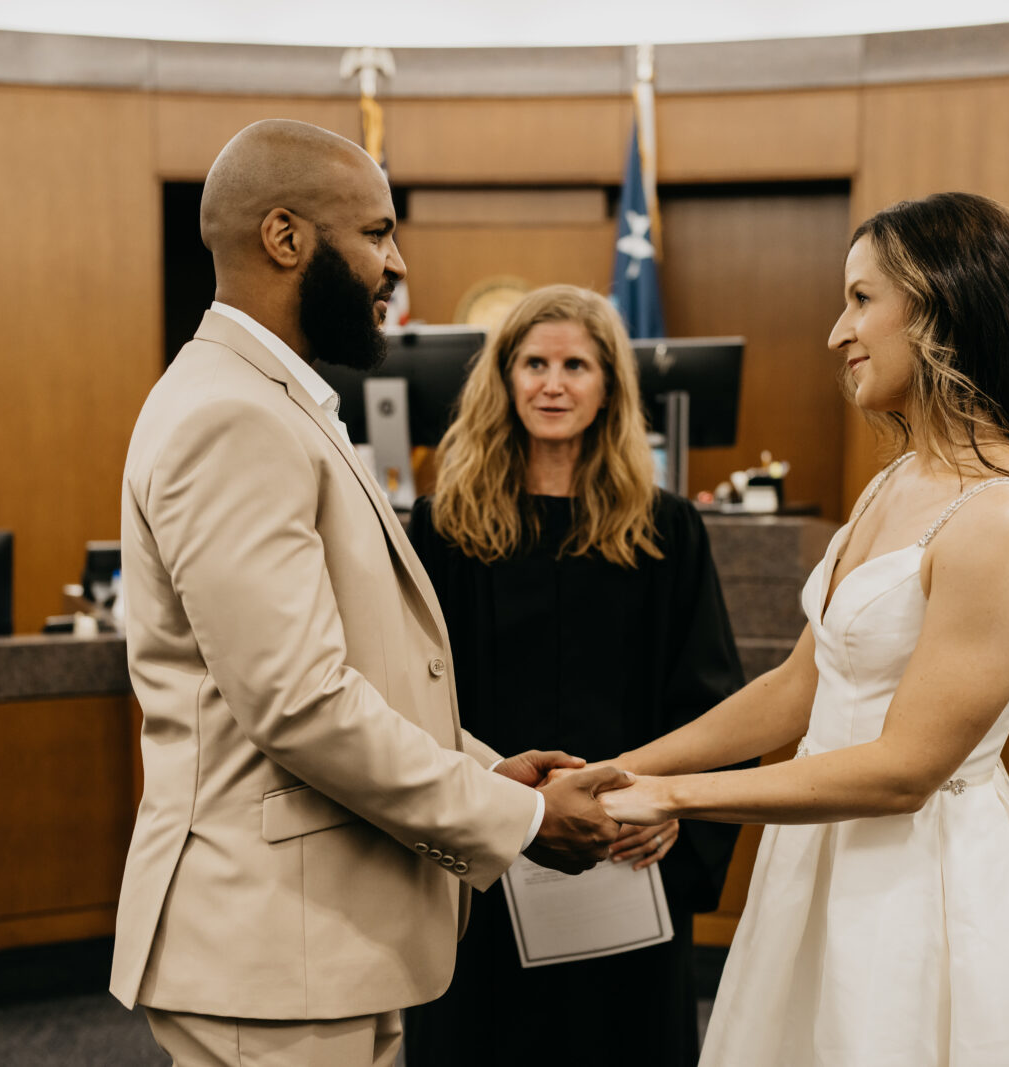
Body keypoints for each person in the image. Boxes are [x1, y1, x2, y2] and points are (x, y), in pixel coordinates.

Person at [107, 120, 629, 1067]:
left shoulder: (269, 400)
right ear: (285, 237)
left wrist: (481, 771)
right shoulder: (232, 415)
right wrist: (522, 819)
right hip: (269, 952)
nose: (396, 264)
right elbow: (300, 702)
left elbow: (360, 669)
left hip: (320, 943)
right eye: (377, 233)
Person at [595, 192, 1009, 1065]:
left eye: (862, 299)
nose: (838, 332)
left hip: (914, 884)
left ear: (945, 308)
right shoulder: (898, 480)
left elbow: (905, 771)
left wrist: (676, 798)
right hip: (819, 855)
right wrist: (632, 766)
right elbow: (798, 690)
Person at [401, 285, 747, 1067]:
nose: (552, 383)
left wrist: (676, 811)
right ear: (505, 379)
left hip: (628, 851)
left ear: (609, 388)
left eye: (575, 365)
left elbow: (710, 697)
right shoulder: (442, 530)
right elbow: (411, 697)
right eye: (533, 363)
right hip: (489, 850)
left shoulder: (667, 530)